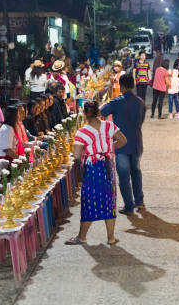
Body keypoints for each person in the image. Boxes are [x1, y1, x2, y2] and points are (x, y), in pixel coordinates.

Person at [65, 101, 127, 245]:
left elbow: (76, 155)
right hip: (108, 167)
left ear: (85, 114)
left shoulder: (82, 132)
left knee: (89, 201)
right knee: (109, 201)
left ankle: (82, 237)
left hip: (93, 169)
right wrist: (109, 148)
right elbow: (123, 140)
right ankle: (111, 237)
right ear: (98, 111)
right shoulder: (109, 126)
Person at [100, 74, 146, 215]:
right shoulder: (140, 102)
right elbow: (141, 120)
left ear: (122, 86)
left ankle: (129, 206)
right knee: (136, 173)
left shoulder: (116, 102)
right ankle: (139, 201)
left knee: (124, 176)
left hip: (122, 145)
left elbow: (100, 111)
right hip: (137, 142)